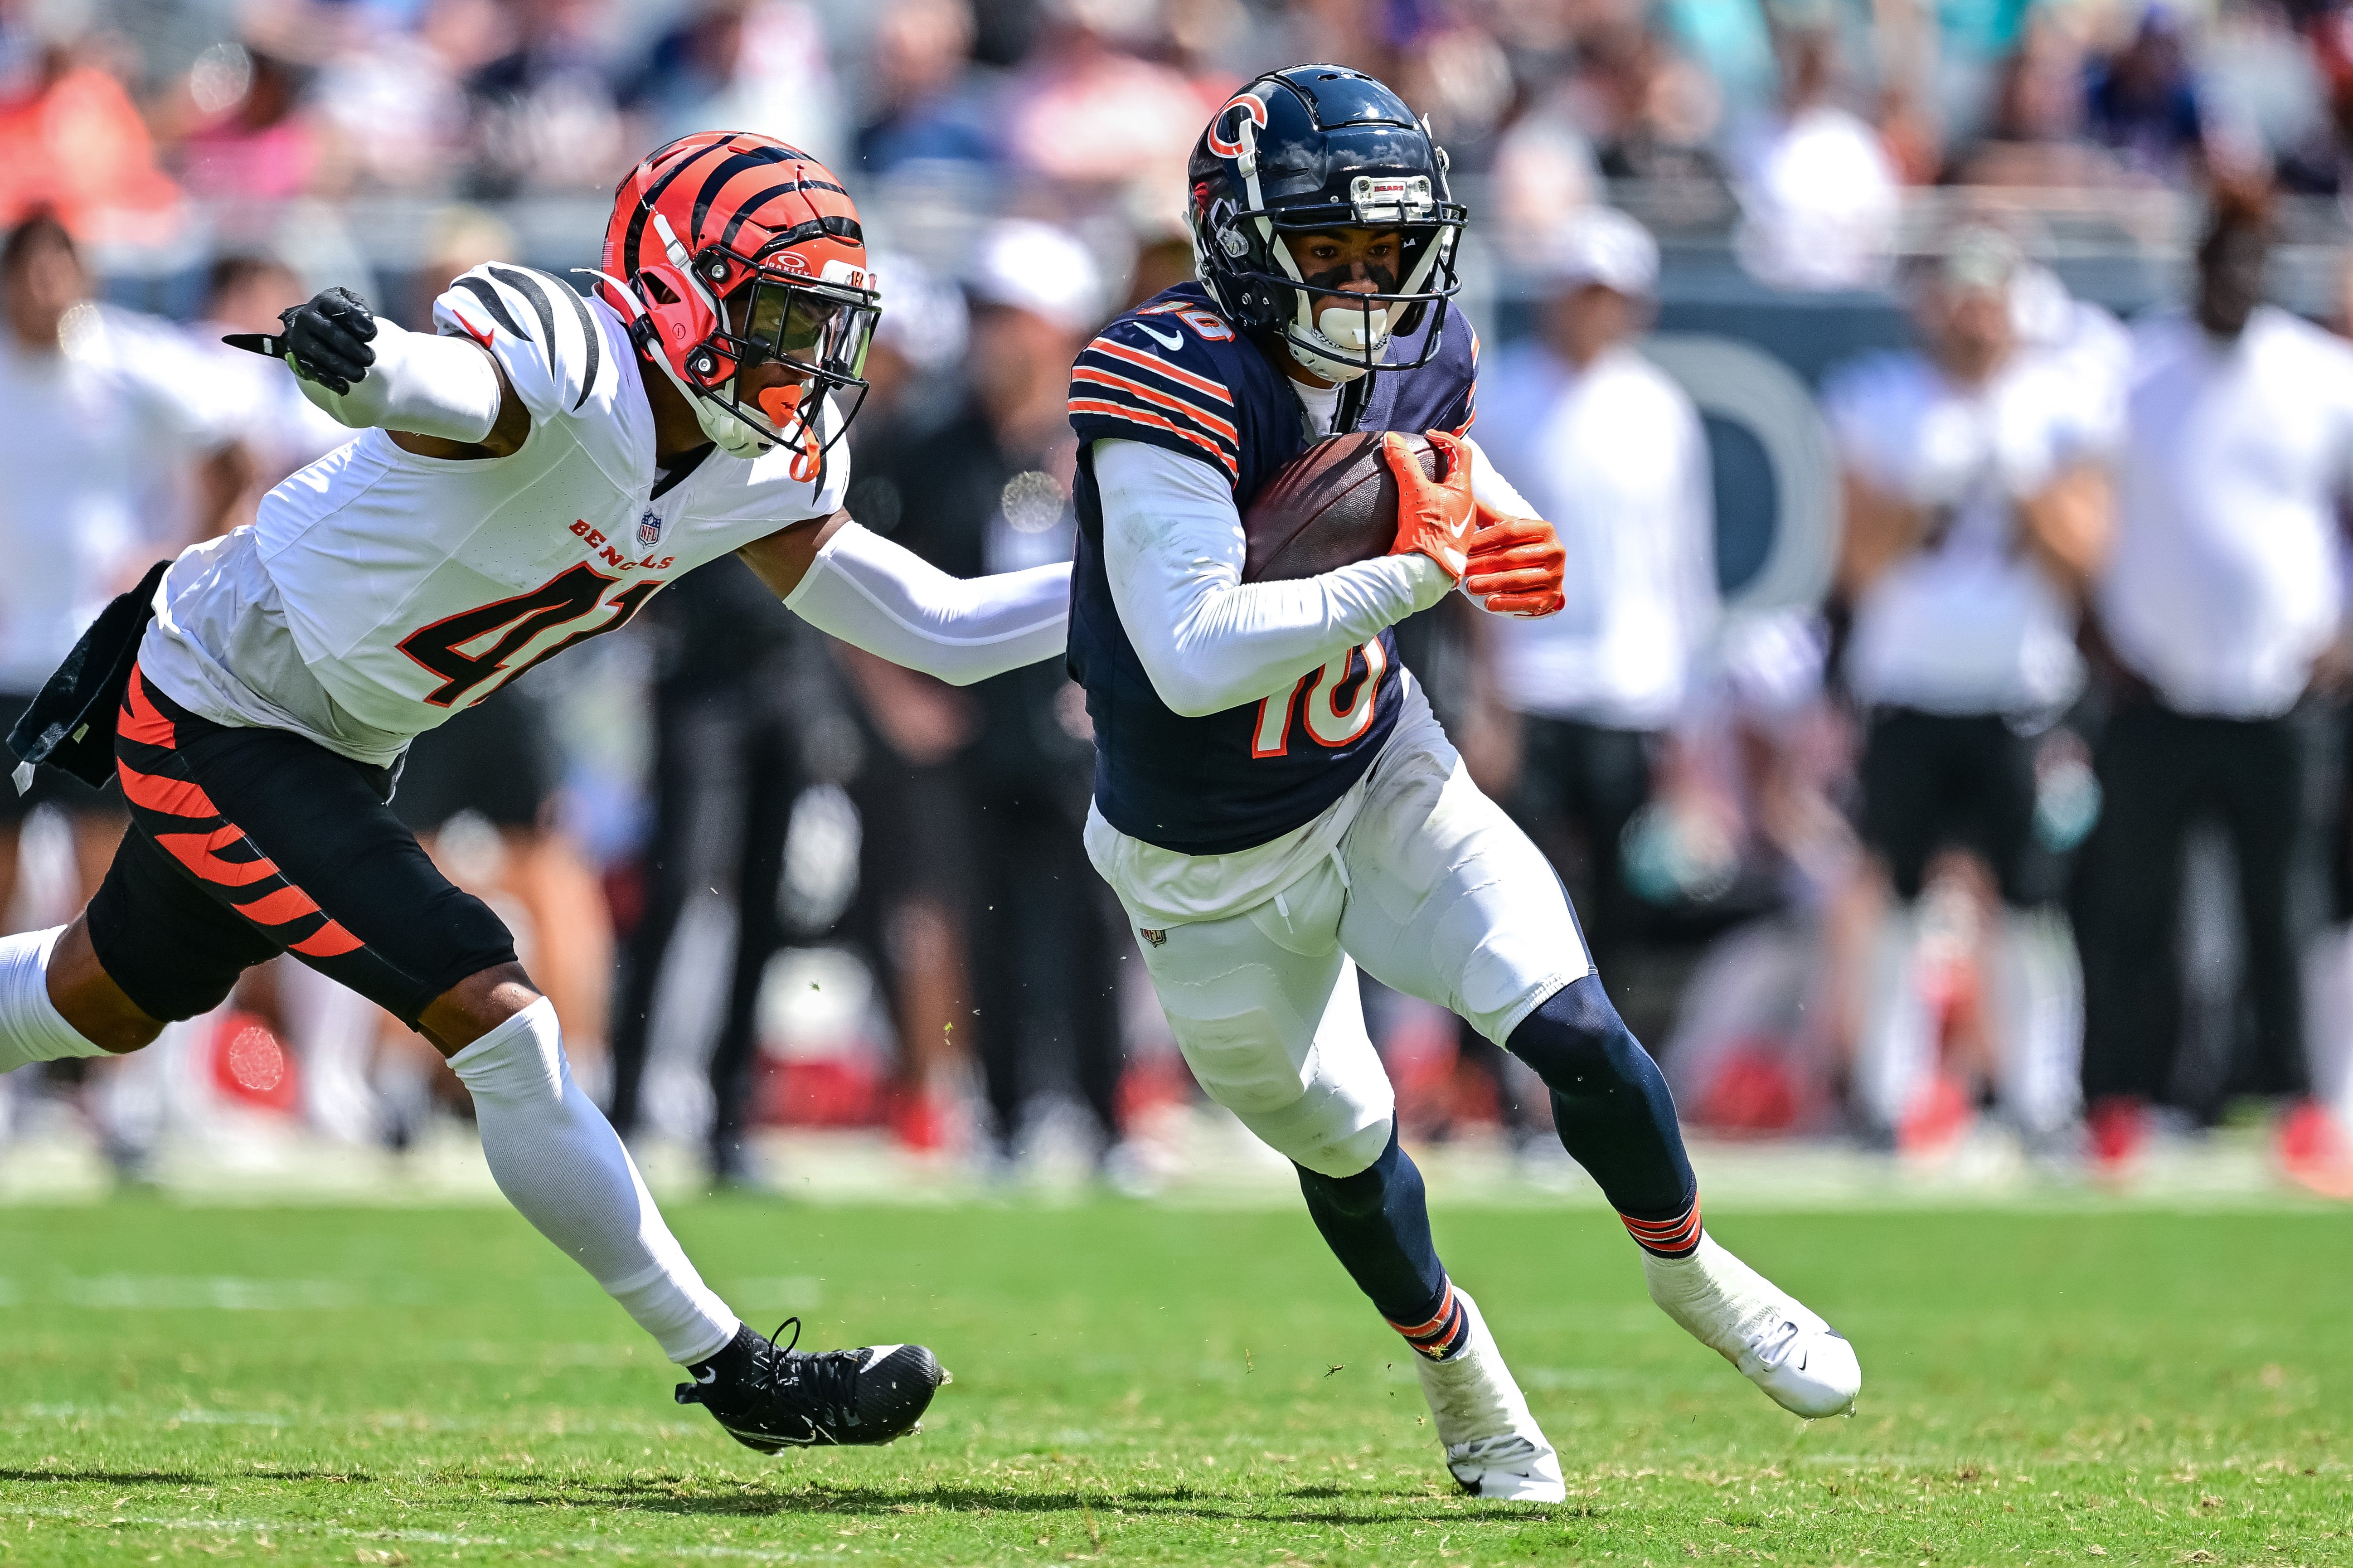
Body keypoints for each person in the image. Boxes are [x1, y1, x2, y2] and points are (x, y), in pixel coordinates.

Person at [0, 133, 1071, 1450]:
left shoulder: (756, 461)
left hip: (335, 732)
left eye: (821, 327)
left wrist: (1163, 595)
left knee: (101, 996)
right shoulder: (583, 362)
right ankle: (734, 1366)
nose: (806, 362)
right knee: (495, 1011)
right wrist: (372, 362)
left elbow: (943, 625)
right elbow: (456, 390)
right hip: (224, 698)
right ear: (681, 290)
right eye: (781, 319)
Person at [1066, 66, 1861, 1502]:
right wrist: (1423, 558)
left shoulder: (1433, 346)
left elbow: (1436, 490)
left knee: (1578, 1025)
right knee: (1350, 1139)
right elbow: (1190, 656)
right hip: (1202, 858)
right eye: (1332, 250)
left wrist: (1487, 524)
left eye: (1389, 247)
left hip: (1378, 769)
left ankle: (1694, 1269)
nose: (1371, 283)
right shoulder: (1165, 374)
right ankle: (1465, 1377)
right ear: (1242, 244)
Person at [2081, 185, 2353, 1196]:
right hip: (2154, 688)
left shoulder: (2320, 377)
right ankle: (2120, 1104)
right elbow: (2064, 490)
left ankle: (2298, 1106)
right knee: (2133, 907)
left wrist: (2344, 637)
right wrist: (2097, 625)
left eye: (2253, 262)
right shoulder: (2132, 370)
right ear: (2194, 267)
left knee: (2282, 907)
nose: (2236, 281)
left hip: (2281, 694)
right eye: (2221, 261)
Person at [1823, 229, 2116, 1158]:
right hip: (1909, 687)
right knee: (1899, 899)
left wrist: (2021, 486)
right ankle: (1888, 1095)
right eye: (1957, 296)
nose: (1972, 316)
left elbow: (2084, 558)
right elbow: (1858, 563)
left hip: (2021, 692)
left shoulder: (2058, 406)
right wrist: (1924, 495)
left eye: (1988, 297)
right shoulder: (1880, 401)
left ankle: (2042, 1097)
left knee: (2030, 906)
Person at [0, 213, 252, 922]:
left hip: (96, 655)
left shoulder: (123, 360)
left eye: (59, 267)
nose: (44, 287)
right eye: (29, 270)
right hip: (6, 661)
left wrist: (171, 562)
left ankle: (96, 1034)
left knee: (103, 872)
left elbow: (232, 454)